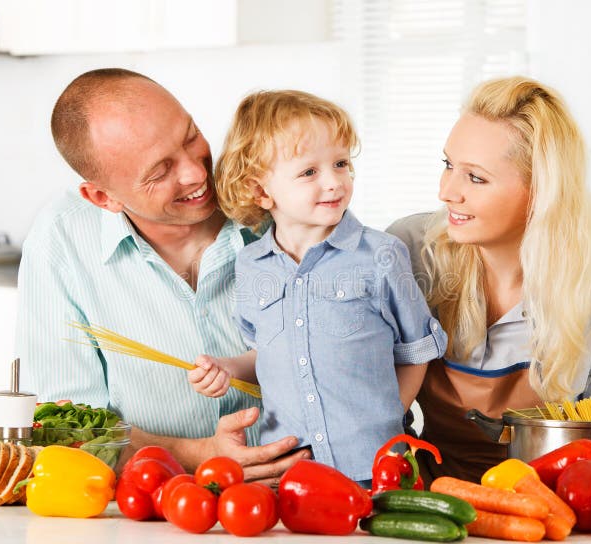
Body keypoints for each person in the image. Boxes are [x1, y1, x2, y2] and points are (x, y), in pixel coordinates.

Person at [16, 68, 310, 482]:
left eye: (190, 136)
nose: (194, 172)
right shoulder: (61, 241)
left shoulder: (276, 193)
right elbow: (68, 426)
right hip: (158, 498)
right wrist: (201, 454)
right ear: (103, 197)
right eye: (160, 171)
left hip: (310, 483)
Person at [387, 76, 591, 484]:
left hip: (546, 515)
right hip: (426, 502)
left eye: (475, 178)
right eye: (448, 165)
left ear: (541, 192)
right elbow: (368, 401)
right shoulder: (409, 253)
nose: (446, 192)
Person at [187, 90, 447, 484]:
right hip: (290, 474)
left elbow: (416, 350)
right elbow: (267, 353)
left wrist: (390, 416)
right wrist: (226, 367)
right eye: (310, 172)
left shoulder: (381, 255)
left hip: (374, 469)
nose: (334, 182)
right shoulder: (251, 265)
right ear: (261, 191)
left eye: (341, 163)